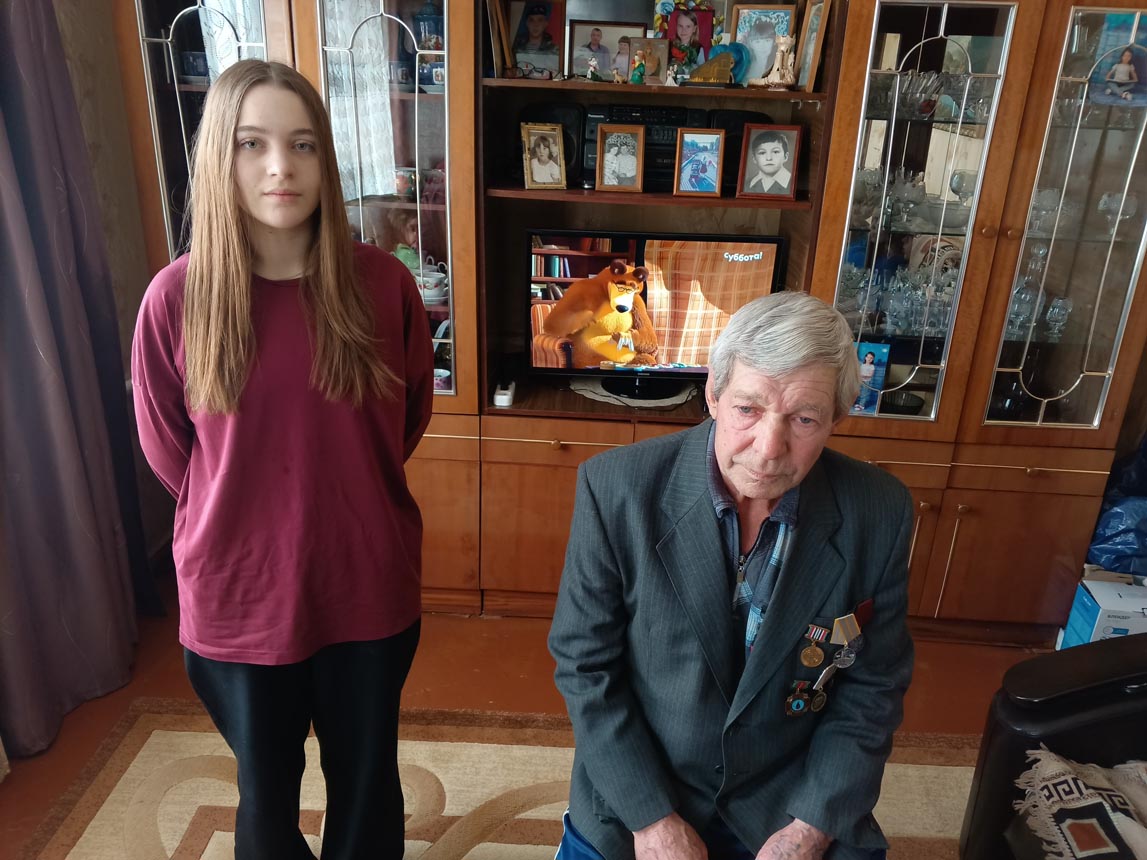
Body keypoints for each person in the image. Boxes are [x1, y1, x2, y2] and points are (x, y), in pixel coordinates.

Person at [131, 60, 434, 859]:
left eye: (302, 144)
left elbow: (403, 422)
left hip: (365, 584)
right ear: (219, 159)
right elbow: (171, 454)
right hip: (236, 598)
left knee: (367, 790)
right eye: (252, 143)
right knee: (265, 803)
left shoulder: (383, 286)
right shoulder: (175, 299)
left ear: (325, 159)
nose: (280, 167)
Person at [549, 291, 913, 860]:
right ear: (713, 396)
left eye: (804, 419)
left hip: (789, 795)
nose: (769, 449)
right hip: (645, 788)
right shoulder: (616, 488)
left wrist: (809, 829)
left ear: (836, 420)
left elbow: (873, 688)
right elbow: (585, 666)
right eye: (748, 409)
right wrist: (652, 821)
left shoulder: (880, 511)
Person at [513, 3, 559, 75]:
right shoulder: (516, 49)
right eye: (532, 20)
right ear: (527, 23)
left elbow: (556, 74)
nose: (535, 25)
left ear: (546, 23)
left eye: (540, 20)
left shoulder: (554, 50)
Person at [745, 130, 793, 195]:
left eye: (775, 152)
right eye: (762, 153)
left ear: (785, 157)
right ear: (754, 158)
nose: (769, 158)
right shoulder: (747, 184)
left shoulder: (792, 183)